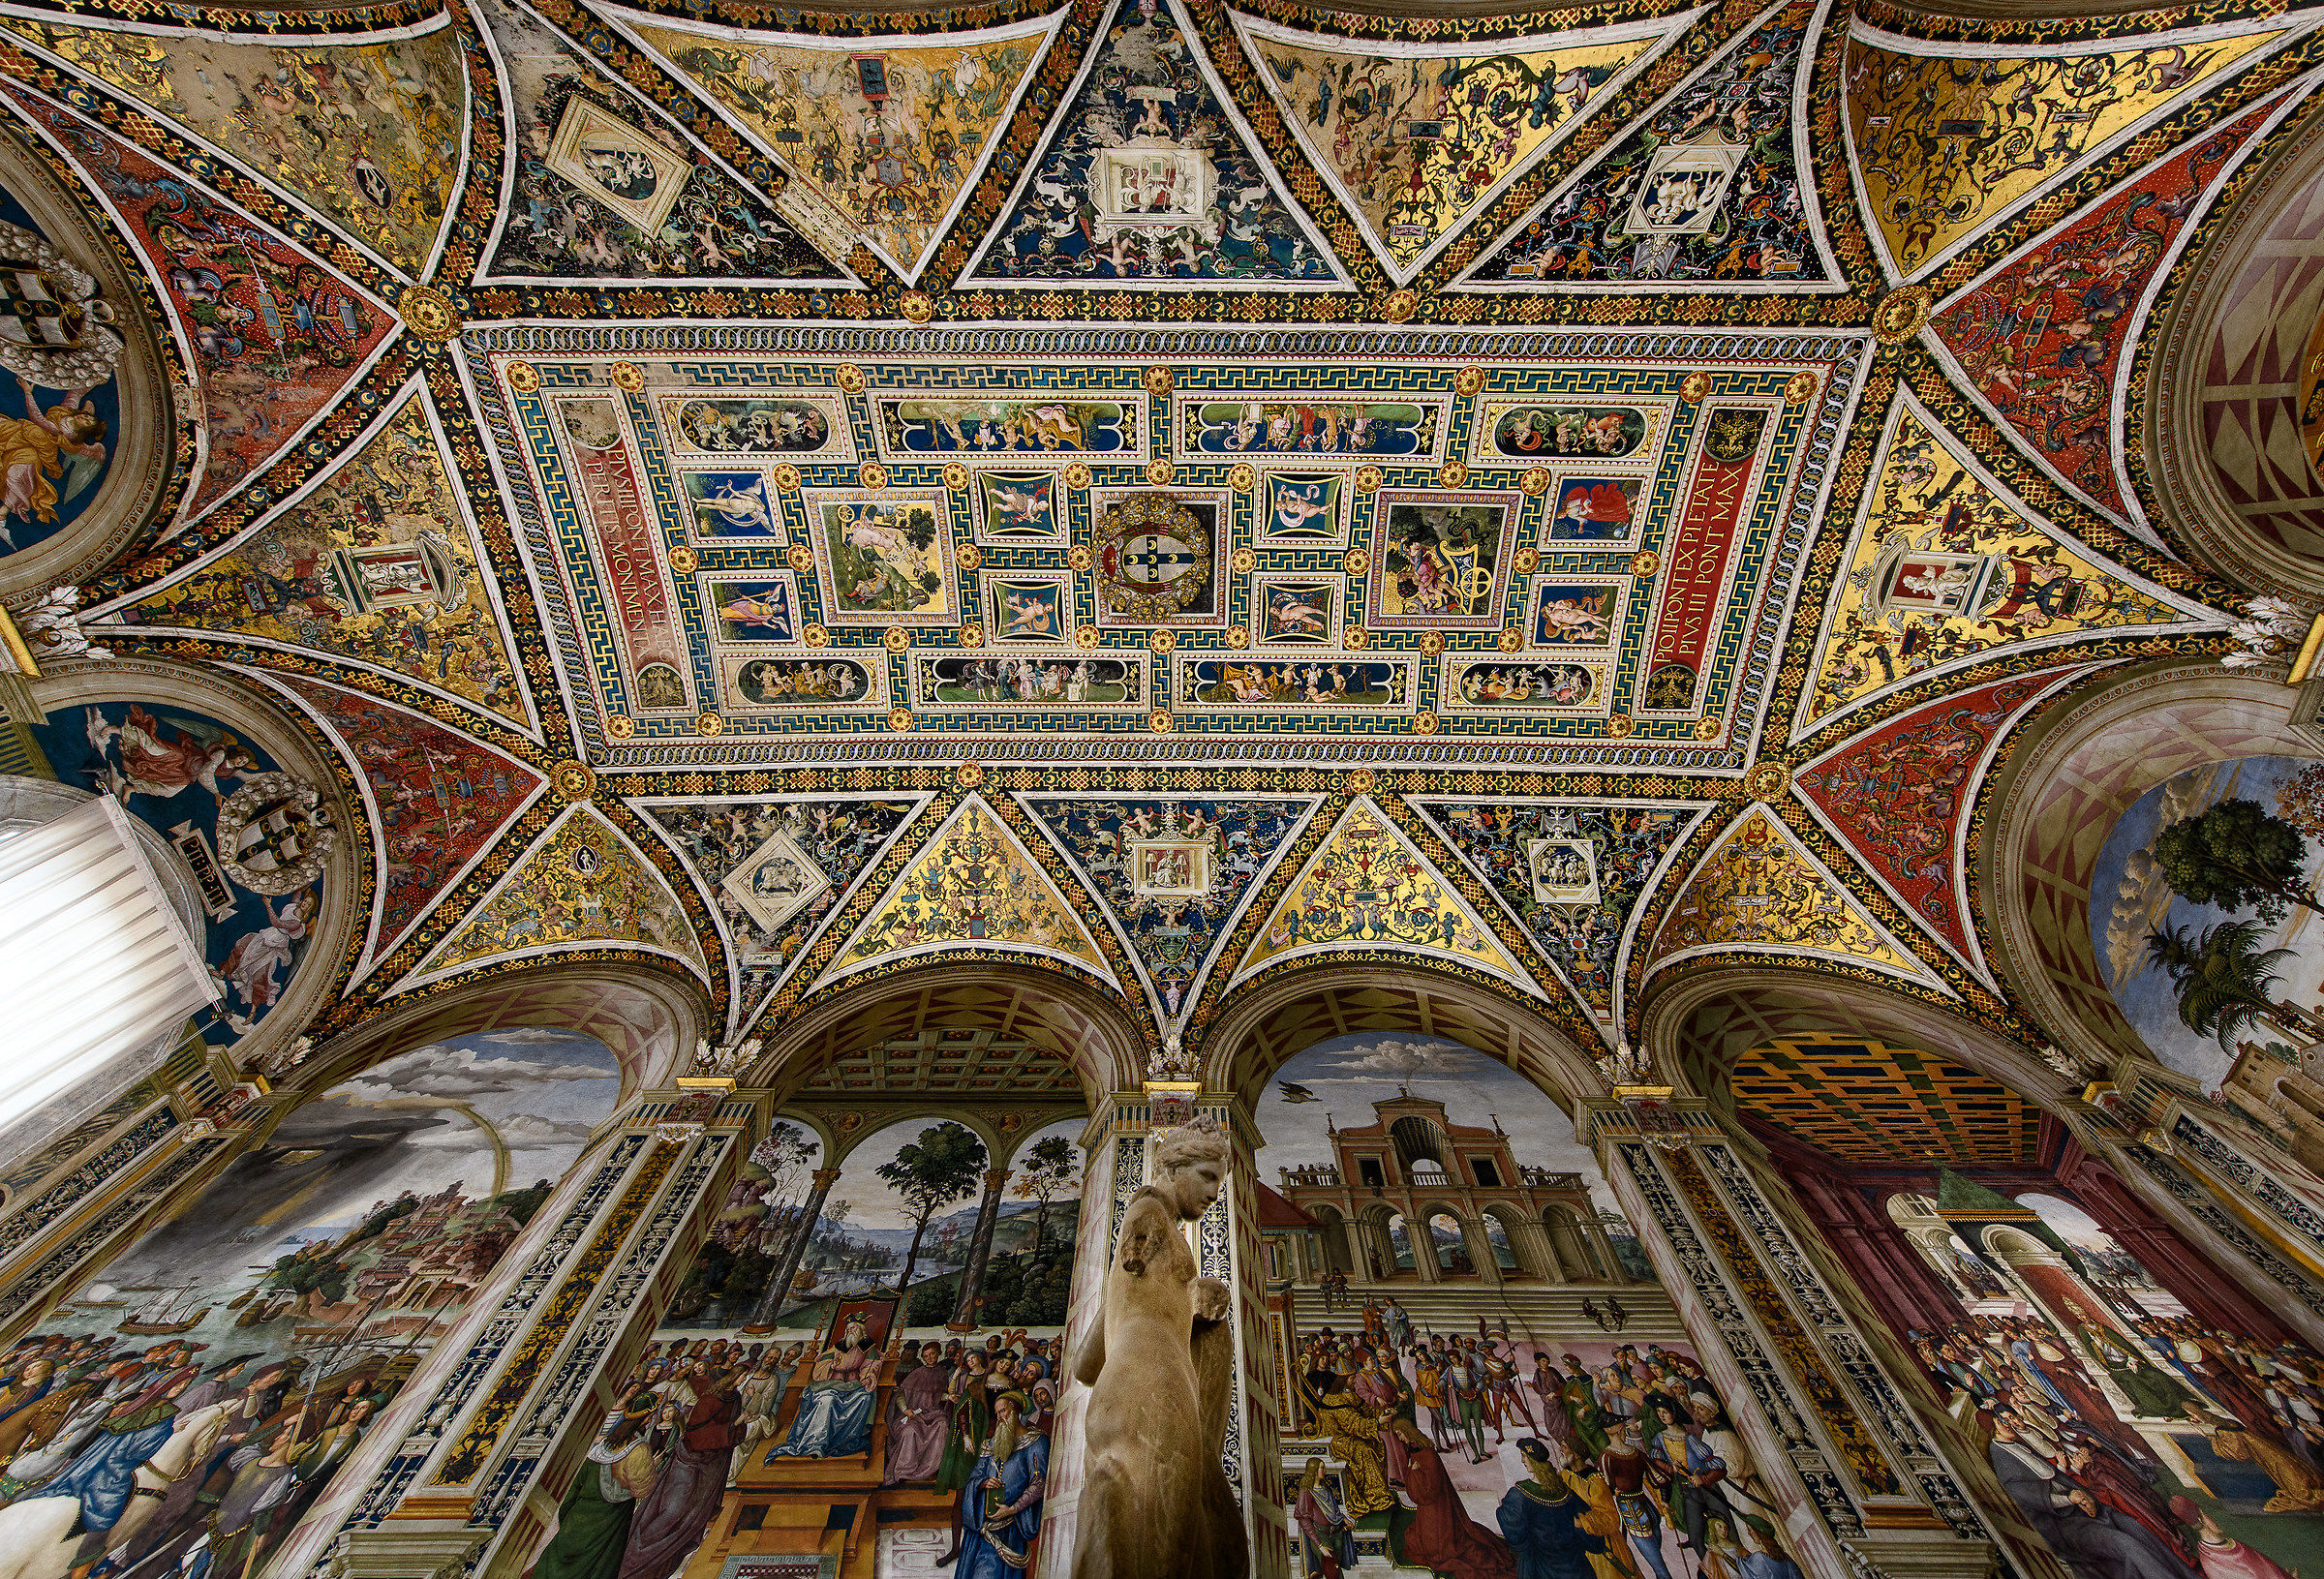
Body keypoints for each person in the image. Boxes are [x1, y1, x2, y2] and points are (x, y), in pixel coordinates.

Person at [617, 1360, 745, 1579]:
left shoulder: (735, 1399)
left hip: (713, 1465)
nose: (743, 1380)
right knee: (672, 1511)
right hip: (690, 1461)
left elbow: (733, 1431)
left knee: (691, 1517)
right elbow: (695, 1435)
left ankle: (660, 1562)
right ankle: (637, 1557)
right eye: (742, 1375)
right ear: (734, 1376)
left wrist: (738, 1425)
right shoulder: (709, 1399)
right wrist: (733, 1426)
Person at [528, 1398, 657, 1579]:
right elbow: (642, 1490)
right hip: (611, 1520)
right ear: (646, 1419)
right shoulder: (640, 1450)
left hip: (577, 1518)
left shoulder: (601, 1446)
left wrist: (568, 1522)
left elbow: (572, 1492)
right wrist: (654, 1466)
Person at [1389, 1417, 1517, 1579]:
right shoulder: (1414, 1450)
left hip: (1436, 1507)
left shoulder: (1427, 1453)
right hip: (1429, 1508)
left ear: (1408, 1432)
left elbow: (1430, 1490)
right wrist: (1412, 1472)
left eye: (1400, 1434)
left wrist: (1414, 1473)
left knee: (1441, 1551)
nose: (1400, 1438)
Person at [956, 1391, 1046, 1579]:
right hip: (983, 1527)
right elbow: (974, 1477)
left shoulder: (1036, 1442)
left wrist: (1012, 1509)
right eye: (997, 1413)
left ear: (1015, 1411)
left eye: (1003, 1411)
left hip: (1012, 1529)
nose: (999, 1418)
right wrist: (983, 1482)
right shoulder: (989, 1445)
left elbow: (1039, 1483)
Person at [769, 1315, 879, 1459]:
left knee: (865, 1397)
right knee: (827, 1400)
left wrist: (868, 1376)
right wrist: (831, 1366)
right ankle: (815, 1444)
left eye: (853, 1328)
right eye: (848, 1329)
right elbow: (819, 1368)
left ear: (861, 1331)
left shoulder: (867, 1347)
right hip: (830, 1384)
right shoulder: (838, 1347)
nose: (850, 1332)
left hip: (853, 1385)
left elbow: (872, 1364)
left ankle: (846, 1441)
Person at [1499, 1439, 1609, 1579]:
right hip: (1574, 1565)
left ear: (1533, 1460)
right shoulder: (1564, 1491)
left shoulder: (1519, 1495)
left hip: (1541, 1566)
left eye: (1524, 1455)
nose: (1522, 1460)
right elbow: (1589, 1526)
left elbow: (1515, 1535)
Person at [882, 1342, 949, 1486]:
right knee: (909, 1430)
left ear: (938, 1353)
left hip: (932, 1413)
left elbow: (938, 1395)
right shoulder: (916, 1373)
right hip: (912, 1414)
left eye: (932, 1354)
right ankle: (904, 1470)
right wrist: (906, 1410)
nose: (929, 1358)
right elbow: (901, 1395)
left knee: (943, 1425)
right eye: (926, 1356)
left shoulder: (943, 1373)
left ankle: (931, 1469)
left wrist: (949, 1397)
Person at [1295, 1458, 1356, 1578]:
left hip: (1336, 1534)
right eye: (1322, 1468)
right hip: (1321, 1535)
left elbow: (1334, 1510)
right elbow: (1304, 1520)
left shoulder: (1325, 1489)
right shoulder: (1306, 1492)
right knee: (1332, 1571)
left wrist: (1344, 1519)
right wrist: (1320, 1546)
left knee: (1336, 1569)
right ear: (1313, 1471)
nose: (1325, 1471)